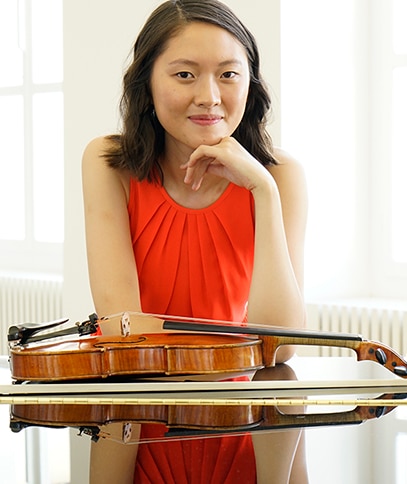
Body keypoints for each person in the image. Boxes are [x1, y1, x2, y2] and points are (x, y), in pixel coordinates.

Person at [81, 0, 308, 482]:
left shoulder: (280, 176)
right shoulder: (108, 164)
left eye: (229, 74)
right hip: (137, 430)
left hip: (247, 429)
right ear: (146, 82)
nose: (210, 96)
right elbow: (127, 332)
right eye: (185, 75)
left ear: (251, 83)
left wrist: (263, 194)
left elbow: (281, 347)